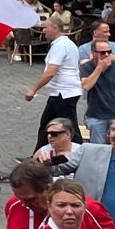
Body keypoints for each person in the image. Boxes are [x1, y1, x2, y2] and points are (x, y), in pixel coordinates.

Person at [23, 17, 83, 146]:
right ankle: (37, 156)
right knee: (47, 124)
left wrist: (33, 89)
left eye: (46, 27)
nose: (43, 31)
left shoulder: (60, 46)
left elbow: (51, 71)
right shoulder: (67, 44)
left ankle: (79, 153)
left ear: (55, 27)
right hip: (62, 91)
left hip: (63, 92)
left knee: (68, 126)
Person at [80, 37, 115, 145]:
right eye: (102, 52)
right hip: (96, 115)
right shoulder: (86, 67)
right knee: (98, 148)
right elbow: (86, 86)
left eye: (109, 52)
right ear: (93, 53)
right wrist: (99, 68)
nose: (106, 55)